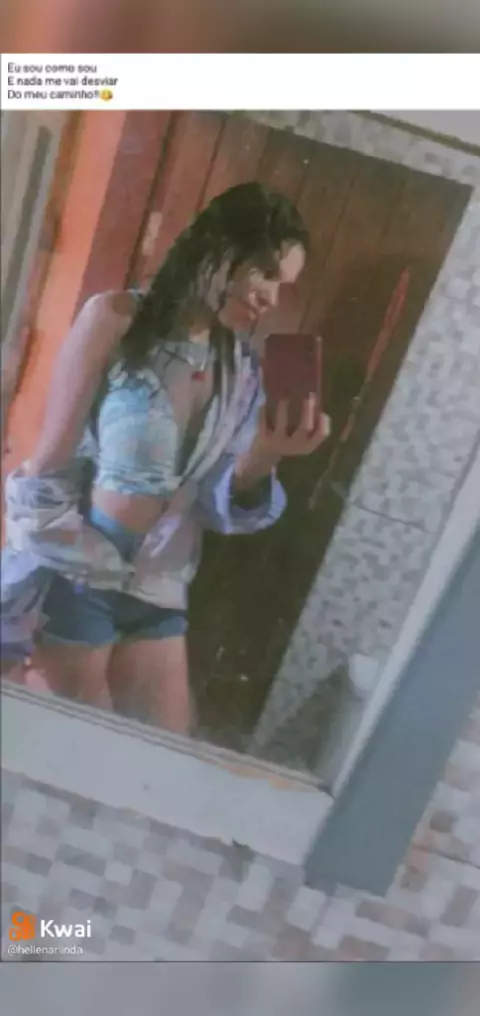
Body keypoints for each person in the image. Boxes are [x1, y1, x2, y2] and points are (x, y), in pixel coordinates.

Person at [1, 182, 330, 733]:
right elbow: (50, 463)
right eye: (266, 273)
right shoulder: (115, 318)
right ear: (219, 247)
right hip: (79, 573)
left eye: (284, 285)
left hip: (158, 584)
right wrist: (47, 572)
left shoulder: (241, 369)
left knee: (168, 746)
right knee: (93, 750)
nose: (272, 298)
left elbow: (217, 502)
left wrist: (267, 454)